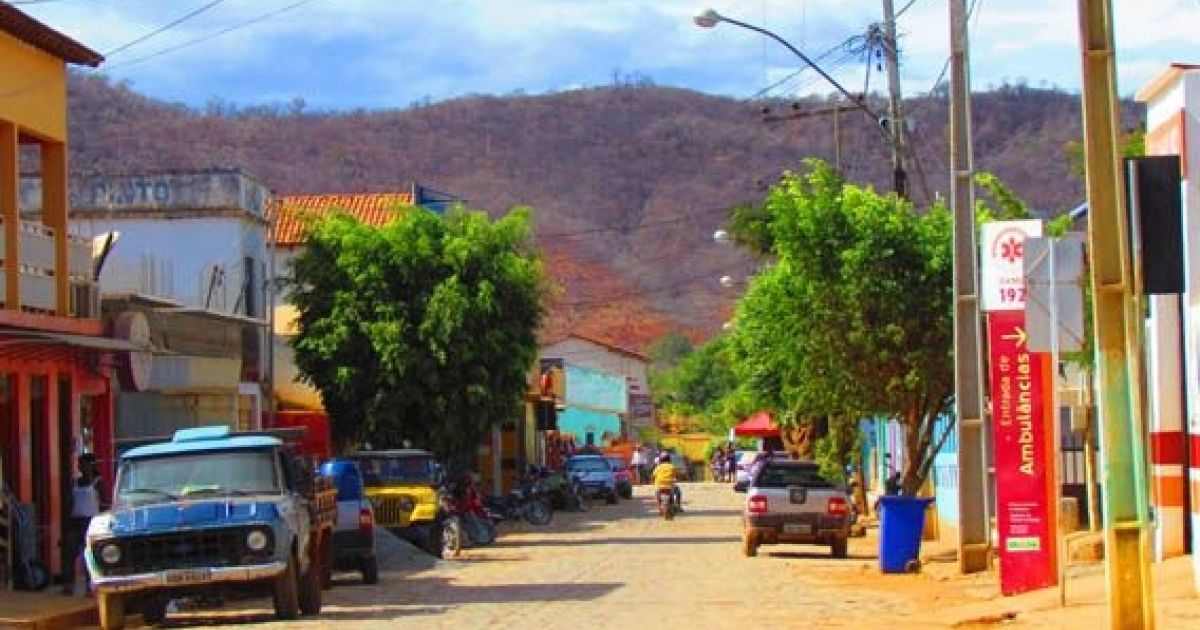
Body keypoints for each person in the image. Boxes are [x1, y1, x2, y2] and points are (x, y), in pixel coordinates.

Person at [64, 455, 100, 595]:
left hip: (91, 521)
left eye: (83, 464)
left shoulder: (98, 483)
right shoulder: (75, 482)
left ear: (90, 465)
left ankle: (89, 586)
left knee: (89, 555)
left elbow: (104, 502)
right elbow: (69, 503)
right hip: (75, 521)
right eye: (79, 464)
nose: (80, 467)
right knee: (70, 553)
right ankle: (68, 585)